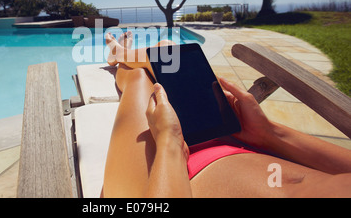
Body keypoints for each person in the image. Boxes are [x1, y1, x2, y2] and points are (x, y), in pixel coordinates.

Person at [102, 32, 351, 197]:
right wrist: (268, 134)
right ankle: (121, 53)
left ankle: (119, 54)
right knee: (169, 50)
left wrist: (169, 144)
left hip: (170, 179)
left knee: (137, 76)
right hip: (240, 144)